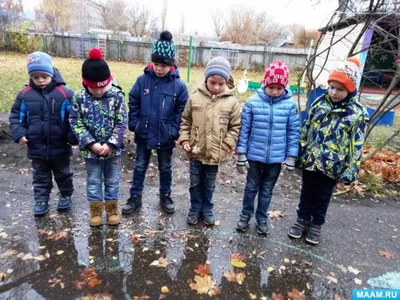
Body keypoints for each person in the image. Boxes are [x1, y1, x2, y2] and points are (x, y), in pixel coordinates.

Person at [288, 57, 369, 245]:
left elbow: (355, 144)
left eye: (340, 89)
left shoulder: (356, 113)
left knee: (323, 195)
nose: (334, 92)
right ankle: (301, 220)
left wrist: (351, 169)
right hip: (311, 160)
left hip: (333, 165)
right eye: (331, 87)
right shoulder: (319, 104)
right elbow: (306, 128)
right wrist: (300, 151)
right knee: (307, 192)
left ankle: (316, 224)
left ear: (350, 89)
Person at [123, 31, 189, 215]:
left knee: (165, 166)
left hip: (165, 134)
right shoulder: (143, 80)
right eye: (156, 64)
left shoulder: (179, 86)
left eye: (164, 65)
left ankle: (165, 196)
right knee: (139, 165)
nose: (159, 68)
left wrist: (173, 130)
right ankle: (135, 196)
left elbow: (182, 109)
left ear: (171, 64)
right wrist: (134, 122)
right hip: (143, 132)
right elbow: (133, 99)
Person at [235, 61, 300, 235]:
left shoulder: (290, 106)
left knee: (266, 190)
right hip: (254, 156)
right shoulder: (252, 103)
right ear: (265, 83)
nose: (275, 92)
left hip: (276, 158)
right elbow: (245, 130)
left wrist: (291, 157)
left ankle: (262, 217)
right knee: (251, 187)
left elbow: (293, 132)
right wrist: (241, 154)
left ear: (285, 87)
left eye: (279, 88)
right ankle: (245, 215)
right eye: (272, 87)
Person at [9, 51, 75, 216]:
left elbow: (76, 116)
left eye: (44, 76)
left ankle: (66, 195)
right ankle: (41, 200)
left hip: (60, 145)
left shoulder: (64, 93)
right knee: (40, 176)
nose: (40, 80)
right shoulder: (24, 95)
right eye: (36, 77)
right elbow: (16, 116)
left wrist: (72, 135)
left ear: (51, 73)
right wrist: (19, 133)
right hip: (36, 146)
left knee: (63, 174)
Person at [178, 56, 241, 225]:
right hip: (196, 151)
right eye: (213, 82)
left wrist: (227, 143)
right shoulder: (194, 98)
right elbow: (186, 121)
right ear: (206, 79)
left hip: (215, 154)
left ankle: (207, 208)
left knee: (209, 184)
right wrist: (185, 139)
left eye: (221, 84)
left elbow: (235, 127)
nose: (216, 87)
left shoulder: (232, 102)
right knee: (195, 183)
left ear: (226, 82)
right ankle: (195, 208)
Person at [70, 48, 127, 226]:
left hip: (113, 152)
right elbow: (75, 122)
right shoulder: (79, 98)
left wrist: (111, 144)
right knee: (94, 181)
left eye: (102, 87)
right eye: (94, 88)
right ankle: (95, 212)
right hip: (91, 153)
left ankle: (111, 211)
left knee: (112, 181)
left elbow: (122, 122)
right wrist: (91, 144)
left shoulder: (117, 96)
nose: (99, 91)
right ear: (85, 84)